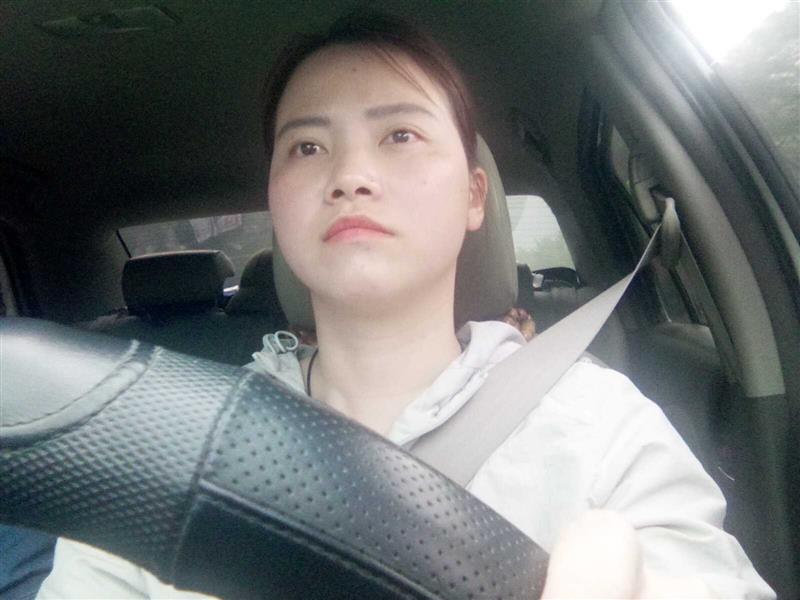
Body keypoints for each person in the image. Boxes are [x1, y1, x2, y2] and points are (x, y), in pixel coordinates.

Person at [38, 12, 774, 599]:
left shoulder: (601, 427)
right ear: (276, 201)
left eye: (400, 134)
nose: (351, 174)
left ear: (475, 196)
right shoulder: (166, 452)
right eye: (306, 148)